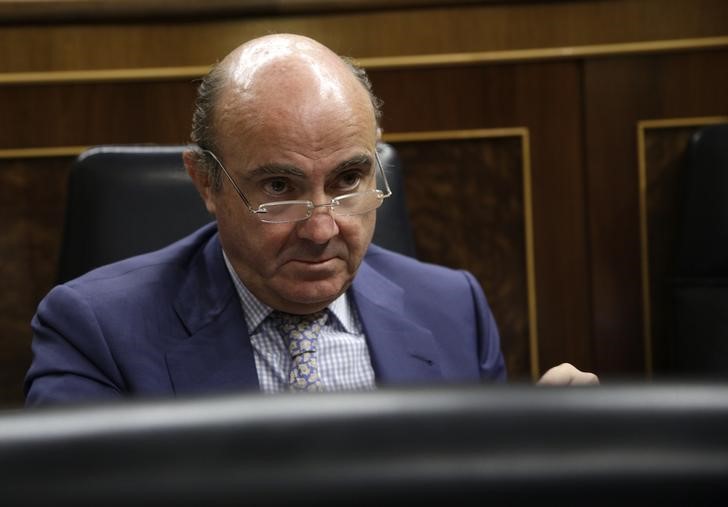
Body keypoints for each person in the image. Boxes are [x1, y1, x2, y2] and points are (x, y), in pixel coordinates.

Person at [24, 34, 597, 406]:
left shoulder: (453, 310)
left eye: (348, 180)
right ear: (207, 183)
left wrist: (540, 455)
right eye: (280, 188)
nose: (323, 229)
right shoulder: (95, 331)